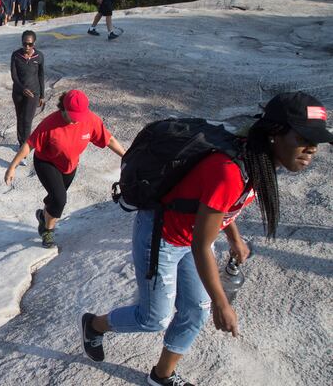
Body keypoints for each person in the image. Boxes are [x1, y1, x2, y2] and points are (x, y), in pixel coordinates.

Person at [80, 92, 332, 386]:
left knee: (194, 311)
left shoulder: (259, 161)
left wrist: (234, 237)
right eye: (304, 137)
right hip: (163, 236)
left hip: (191, 234)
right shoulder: (230, 170)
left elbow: (223, 207)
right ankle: (94, 325)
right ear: (275, 134)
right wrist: (221, 302)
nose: (312, 148)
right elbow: (201, 245)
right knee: (154, 318)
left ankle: (161, 376)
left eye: (317, 140)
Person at [5, 90, 125, 247]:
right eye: (73, 116)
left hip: (69, 166)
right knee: (60, 200)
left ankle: (43, 216)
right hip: (46, 163)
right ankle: (47, 232)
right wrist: (12, 167)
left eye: (79, 117)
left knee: (54, 200)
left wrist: (126, 155)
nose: (76, 121)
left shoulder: (90, 120)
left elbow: (109, 139)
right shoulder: (50, 124)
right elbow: (29, 144)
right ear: (64, 109)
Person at [10, 30, 45, 151]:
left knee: (27, 120)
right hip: (18, 93)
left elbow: (41, 75)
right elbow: (14, 76)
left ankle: (25, 146)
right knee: (20, 118)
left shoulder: (39, 56)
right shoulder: (15, 55)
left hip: (33, 93)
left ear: (34, 43)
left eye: (30, 44)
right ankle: (21, 144)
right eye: (24, 44)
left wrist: (42, 95)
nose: (27, 47)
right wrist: (23, 89)